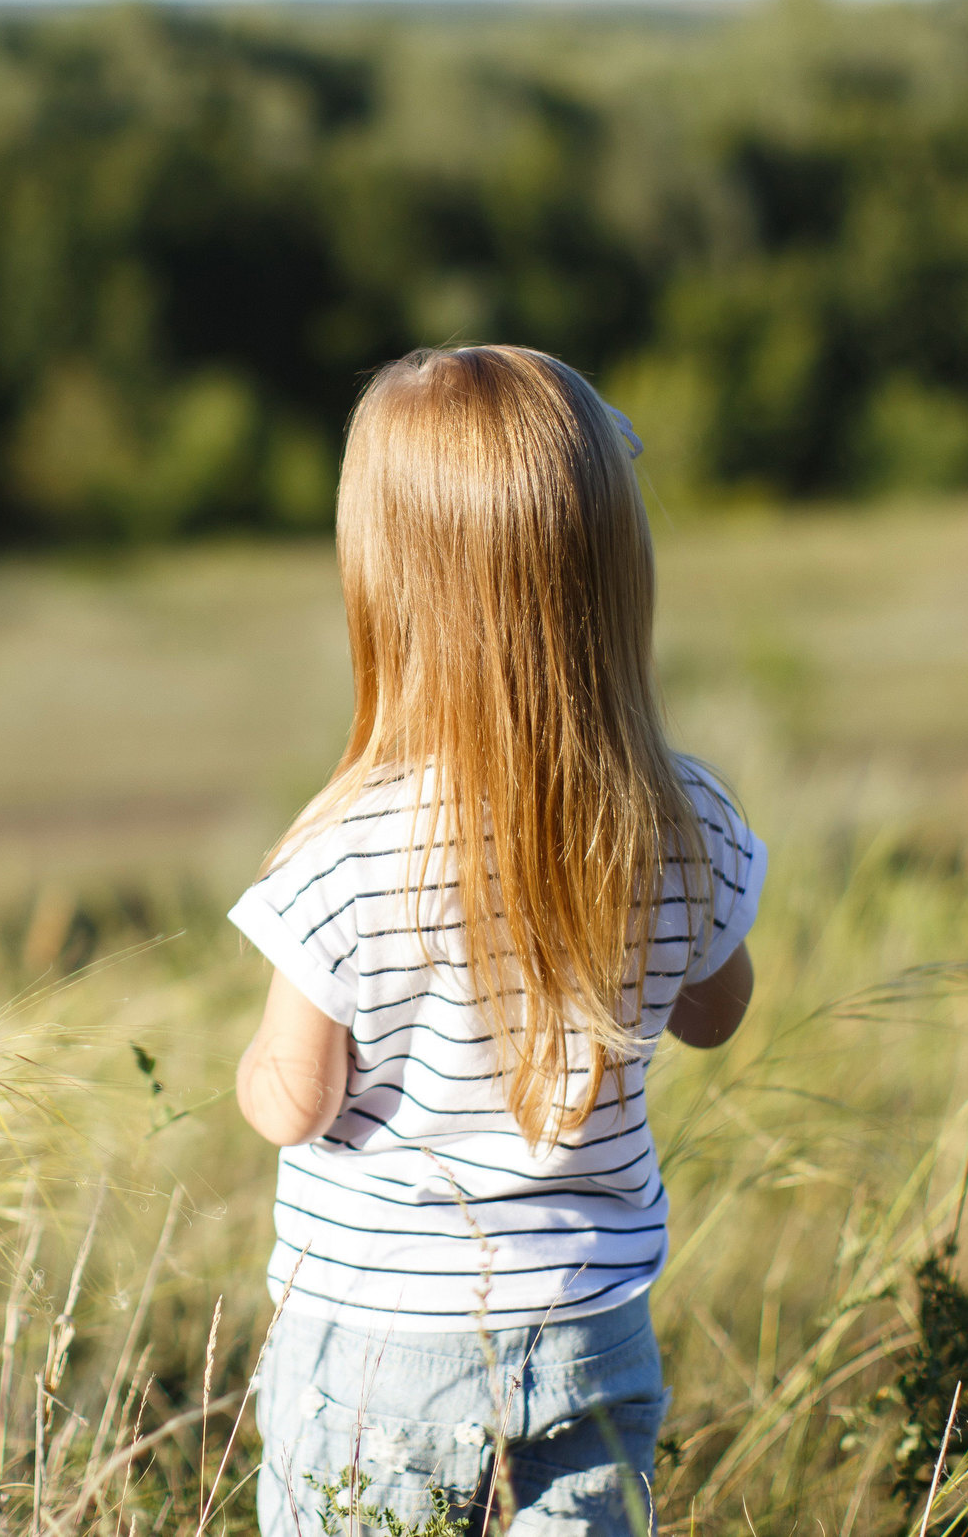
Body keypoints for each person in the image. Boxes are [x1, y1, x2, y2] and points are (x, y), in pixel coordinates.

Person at [227, 345, 766, 1536]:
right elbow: (717, 1011)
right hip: (590, 1335)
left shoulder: (346, 851)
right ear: (611, 572)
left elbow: (296, 1102)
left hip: (375, 1355)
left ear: (383, 582)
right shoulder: (681, 818)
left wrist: (250, 1069)